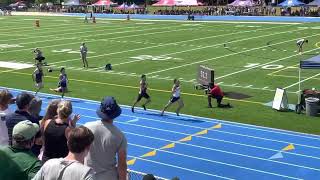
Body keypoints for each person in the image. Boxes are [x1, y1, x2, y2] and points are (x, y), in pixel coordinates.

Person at [84, 96, 127, 180]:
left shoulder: (87, 127)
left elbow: (77, 151)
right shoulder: (120, 136)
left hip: (87, 175)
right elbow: (122, 165)